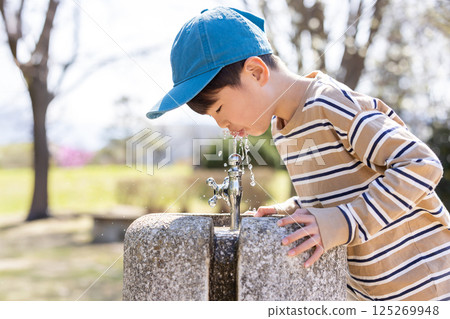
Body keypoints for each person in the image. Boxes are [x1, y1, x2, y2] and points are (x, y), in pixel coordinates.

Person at [146, 7, 450, 301]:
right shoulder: (283, 128)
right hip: (371, 296)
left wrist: (344, 223)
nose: (223, 126)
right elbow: (334, 192)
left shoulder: (330, 104)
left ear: (255, 72)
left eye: (220, 109)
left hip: (427, 287)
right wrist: (292, 211)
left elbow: (421, 164)